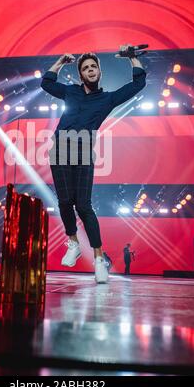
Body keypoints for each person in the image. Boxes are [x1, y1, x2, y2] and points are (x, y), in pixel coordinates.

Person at [41, 45, 146, 284]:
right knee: (65, 202)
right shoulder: (70, 92)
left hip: (84, 149)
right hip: (60, 148)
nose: (90, 70)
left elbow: (138, 84)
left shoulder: (107, 99)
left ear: (99, 72)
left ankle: (99, 260)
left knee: (84, 205)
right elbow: (46, 83)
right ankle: (74, 242)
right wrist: (60, 61)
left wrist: (132, 59)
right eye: (85, 67)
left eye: (93, 67)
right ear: (81, 75)